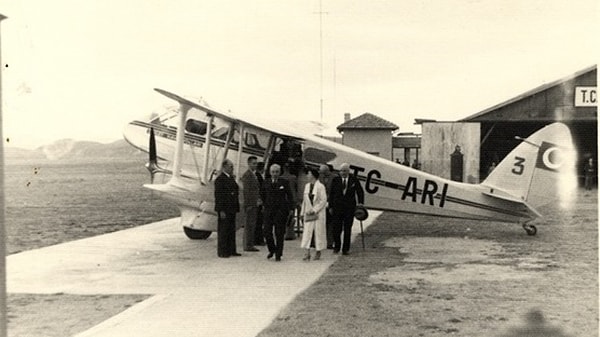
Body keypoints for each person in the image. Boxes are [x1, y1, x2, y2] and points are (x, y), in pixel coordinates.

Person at [329, 163, 364, 255]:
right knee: (336, 228)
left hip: (349, 208)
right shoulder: (335, 180)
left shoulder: (354, 180)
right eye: (341, 171)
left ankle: (346, 249)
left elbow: (360, 191)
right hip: (337, 208)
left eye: (345, 171)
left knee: (348, 228)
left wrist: (360, 204)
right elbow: (331, 194)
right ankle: (337, 246)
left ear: (348, 171)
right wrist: (330, 206)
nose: (343, 173)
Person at [263, 164, 295, 261]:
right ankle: (272, 249)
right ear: (270, 172)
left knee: (279, 233)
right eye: (273, 172)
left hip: (280, 211)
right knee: (267, 232)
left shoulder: (284, 182)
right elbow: (262, 194)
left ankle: (278, 253)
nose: (275, 174)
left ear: (279, 172)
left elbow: (289, 196)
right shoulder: (266, 182)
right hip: (269, 211)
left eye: (277, 172)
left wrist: (291, 208)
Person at [214, 159, 241, 258]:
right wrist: (221, 210)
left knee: (231, 230)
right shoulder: (220, 180)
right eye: (231, 166)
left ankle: (231, 250)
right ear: (224, 167)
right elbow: (219, 196)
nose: (232, 168)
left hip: (231, 208)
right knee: (223, 231)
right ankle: (222, 251)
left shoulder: (231, 178)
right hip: (225, 209)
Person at [300, 168, 328, 261]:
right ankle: (307, 252)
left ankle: (318, 251)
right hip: (308, 213)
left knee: (318, 233)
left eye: (308, 174)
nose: (307, 176)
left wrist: (315, 210)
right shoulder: (307, 186)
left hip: (318, 214)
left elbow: (323, 200)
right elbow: (305, 200)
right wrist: (302, 212)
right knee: (307, 233)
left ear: (312, 175)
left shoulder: (321, 186)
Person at [241, 156, 261, 252]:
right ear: (248, 164)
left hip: (254, 203)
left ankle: (250, 244)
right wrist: (249, 204)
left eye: (256, 163)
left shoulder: (253, 175)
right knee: (249, 224)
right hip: (250, 204)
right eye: (253, 163)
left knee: (252, 224)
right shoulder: (247, 175)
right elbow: (247, 191)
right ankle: (247, 245)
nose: (255, 165)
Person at [318, 164, 334, 249]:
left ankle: (330, 242)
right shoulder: (320, 178)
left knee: (330, 223)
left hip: (330, 203)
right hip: (322, 203)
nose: (322, 174)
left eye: (323, 172)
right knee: (321, 223)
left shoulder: (334, 178)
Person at [281, 162, 298, 240]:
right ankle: (290, 233)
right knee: (291, 216)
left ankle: (284, 233)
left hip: (284, 199)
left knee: (283, 217)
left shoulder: (281, 177)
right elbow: (296, 188)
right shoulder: (293, 177)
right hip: (292, 198)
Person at [254, 161, 266, 246]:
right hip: (259, 202)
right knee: (259, 221)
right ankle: (258, 239)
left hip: (258, 201)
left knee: (258, 221)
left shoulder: (257, 176)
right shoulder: (259, 178)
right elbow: (261, 190)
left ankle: (257, 239)